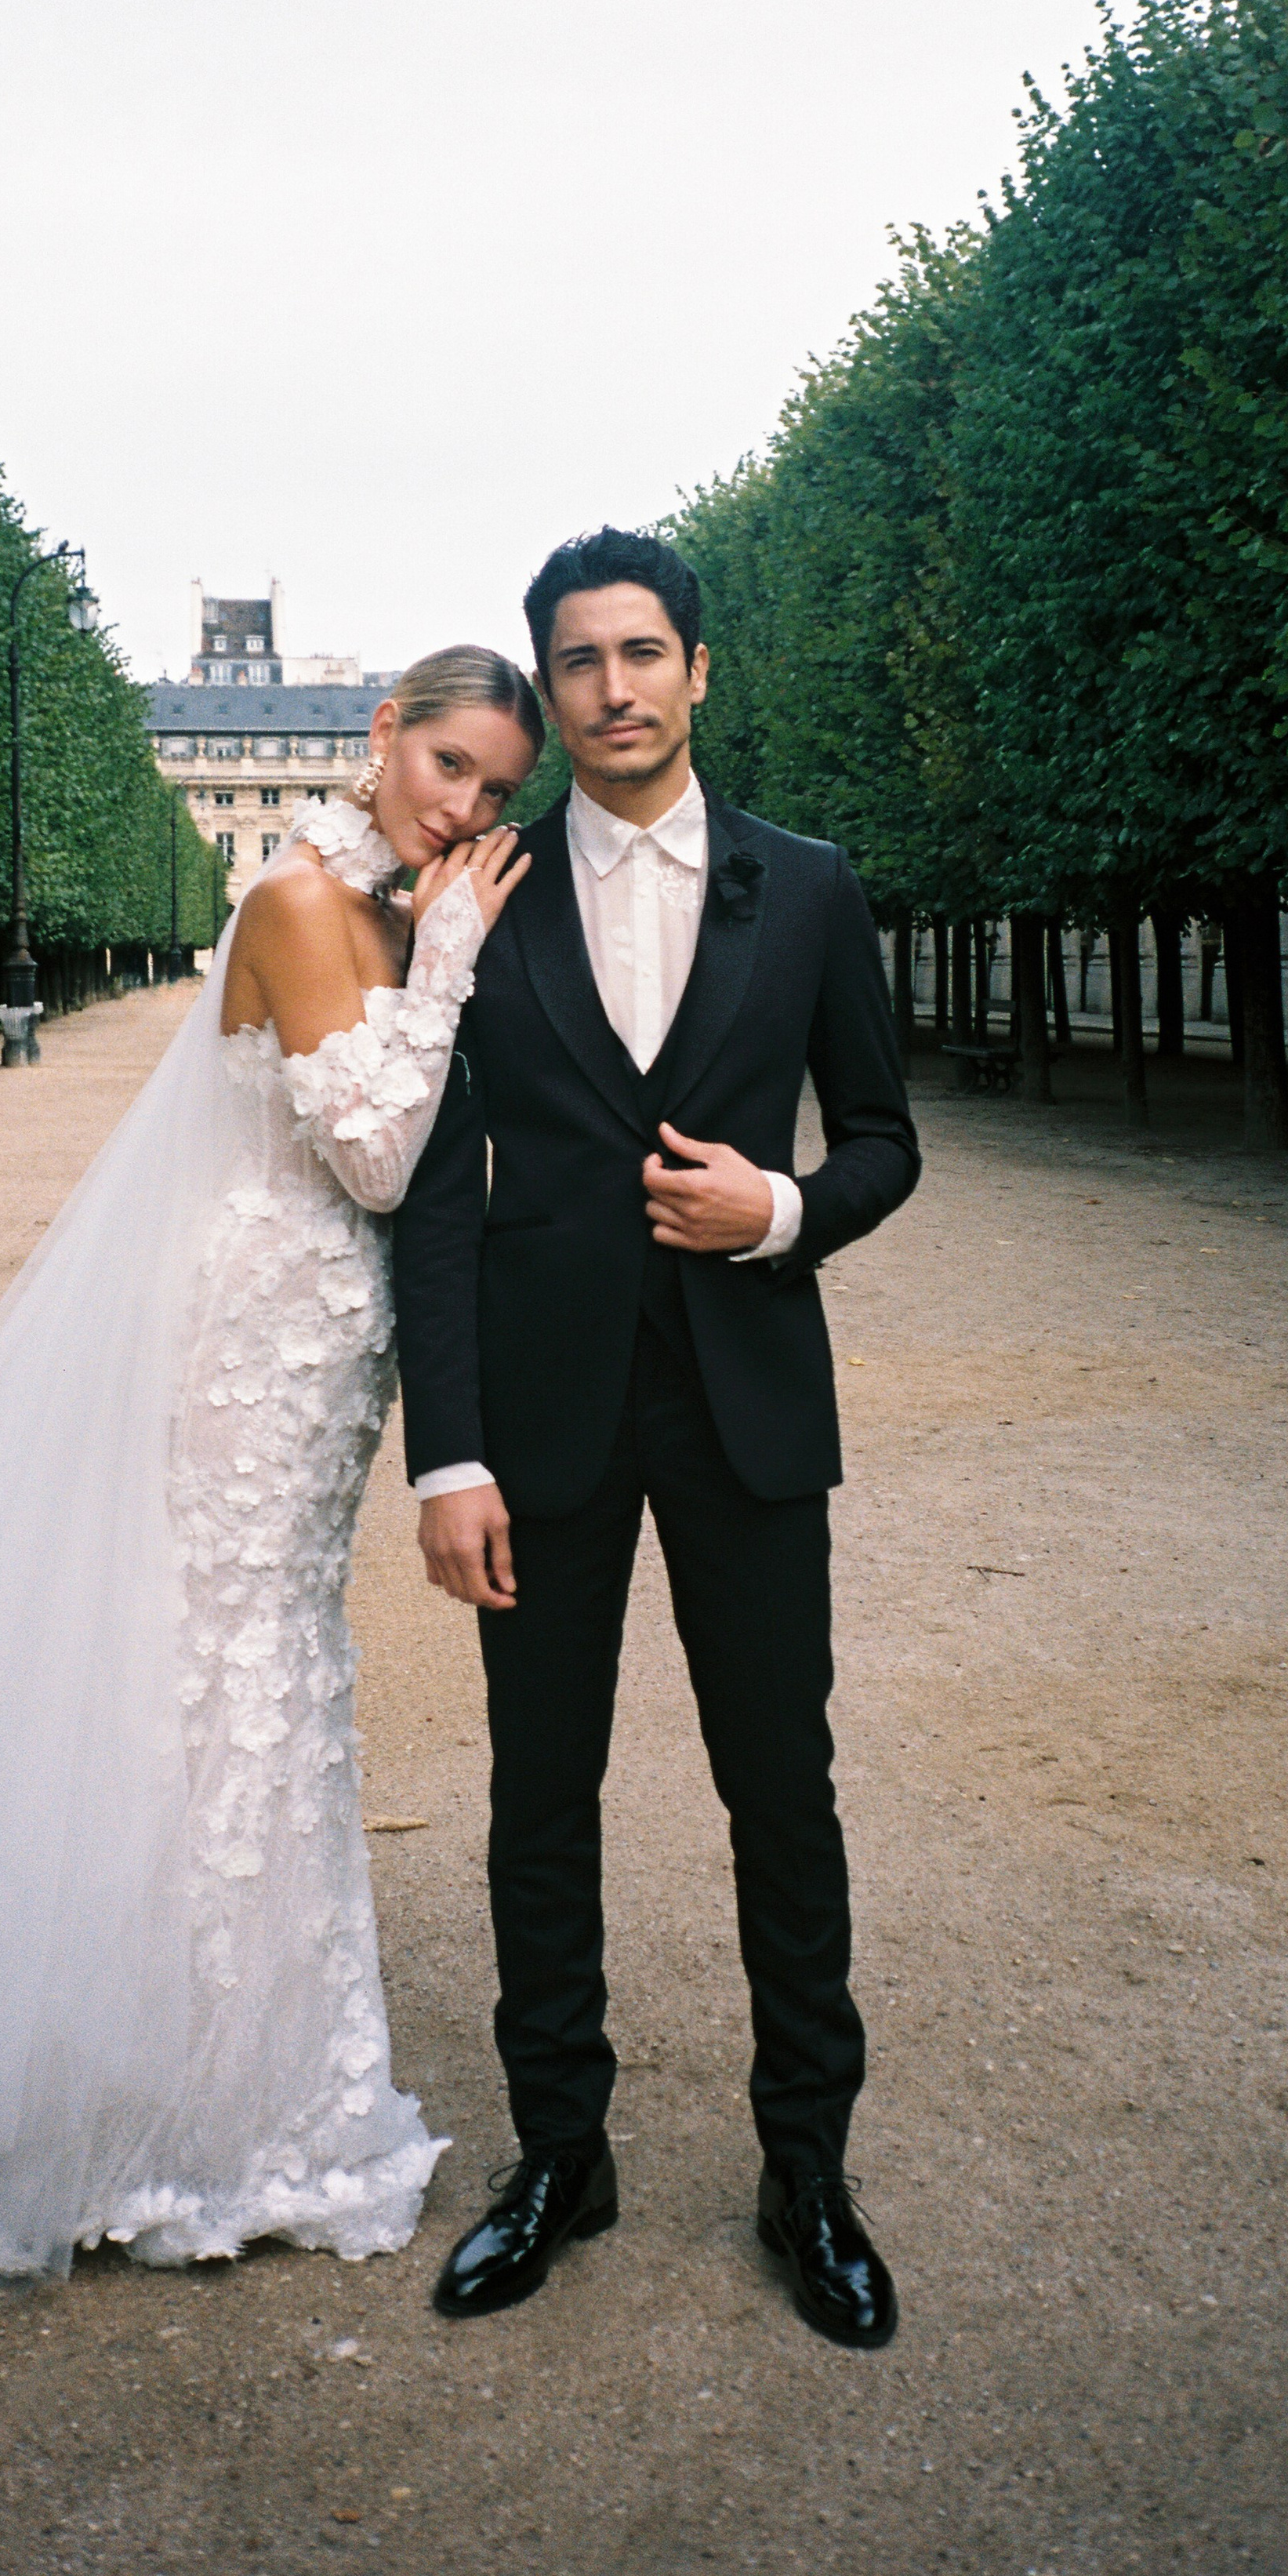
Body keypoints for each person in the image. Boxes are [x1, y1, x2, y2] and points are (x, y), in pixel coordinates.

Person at [0, 646, 541, 2294]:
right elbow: (368, 1147)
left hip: (319, 1350)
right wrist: (447, 966)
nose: (468, 807)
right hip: (248, 1346)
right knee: (215, 1665)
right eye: (447, 767)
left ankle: (231, 2061)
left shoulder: (387, 903)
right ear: (380, 737)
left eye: (498, 789)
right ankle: (169, 2092)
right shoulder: (301, 902)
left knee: (272, 1669)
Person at [394, 532, 920, 2349]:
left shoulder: (812, 887)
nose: (610, 688)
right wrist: (442, 1454)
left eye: (640, 652)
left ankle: (808, 2169)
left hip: (748, 1408)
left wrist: (775, 1207)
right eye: (575, 663)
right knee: (537, 1799)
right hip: (534, 1426)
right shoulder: (476, 897)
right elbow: (434, 1200)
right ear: (546, 694)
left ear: (699, 668)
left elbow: (879, 1138)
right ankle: (562, 2153)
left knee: (782, 1793)